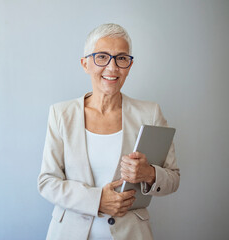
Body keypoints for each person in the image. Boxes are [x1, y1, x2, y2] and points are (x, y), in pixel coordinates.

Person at [37, 23, 180, 240]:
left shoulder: (150, 113)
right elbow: (47, 182)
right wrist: (97, 200)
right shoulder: (61, 114)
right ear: (85, 64)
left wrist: (148, 174)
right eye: (102, 57)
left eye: (121, 58)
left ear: (129, 66)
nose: (112, 68)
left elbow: (173, 178)